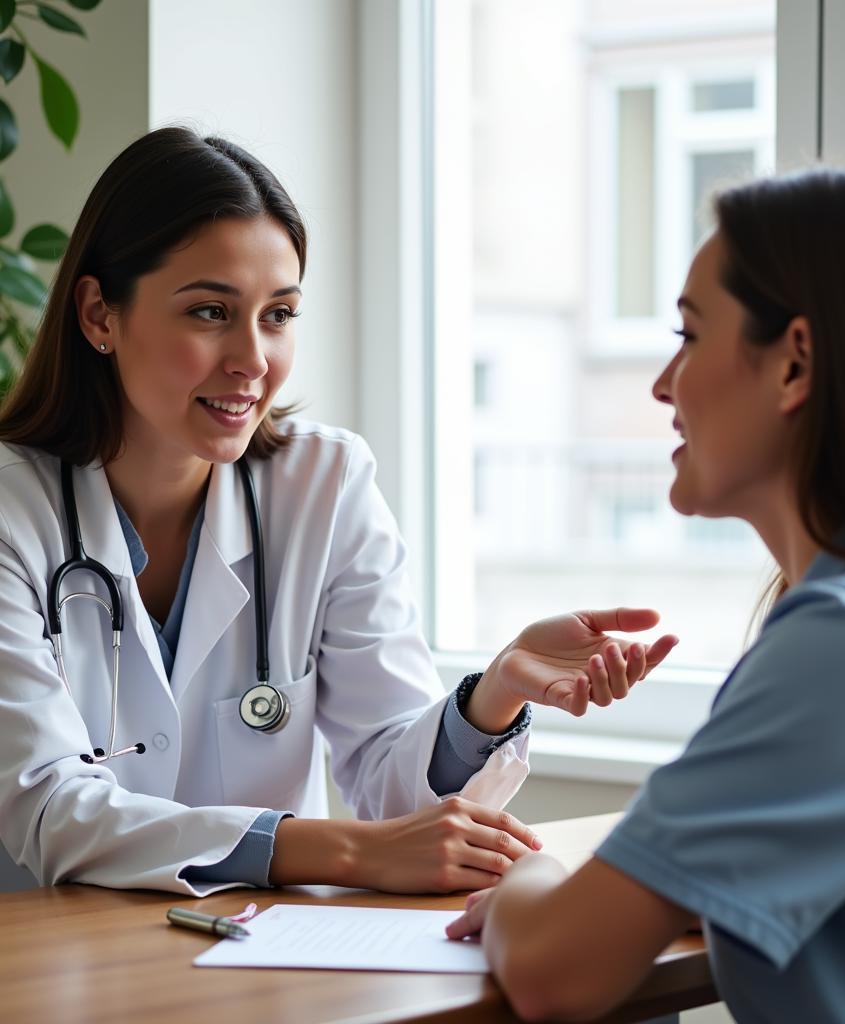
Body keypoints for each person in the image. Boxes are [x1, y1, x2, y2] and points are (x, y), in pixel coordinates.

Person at [0, 126, 677, 896]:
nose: (253, 360)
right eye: (210, 313)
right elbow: (49, 810)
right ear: (99, 315)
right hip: (48, 973)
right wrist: (348, 853)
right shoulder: (12, 512)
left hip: (261, 969)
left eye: (279, 314)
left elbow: (391, 786)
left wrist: (494, 694)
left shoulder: (324, 482)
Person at [447, 166, 845, 1022]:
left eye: (689, 335)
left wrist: (533, 875)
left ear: (794, 364)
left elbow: (551, 972)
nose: (661, 384)